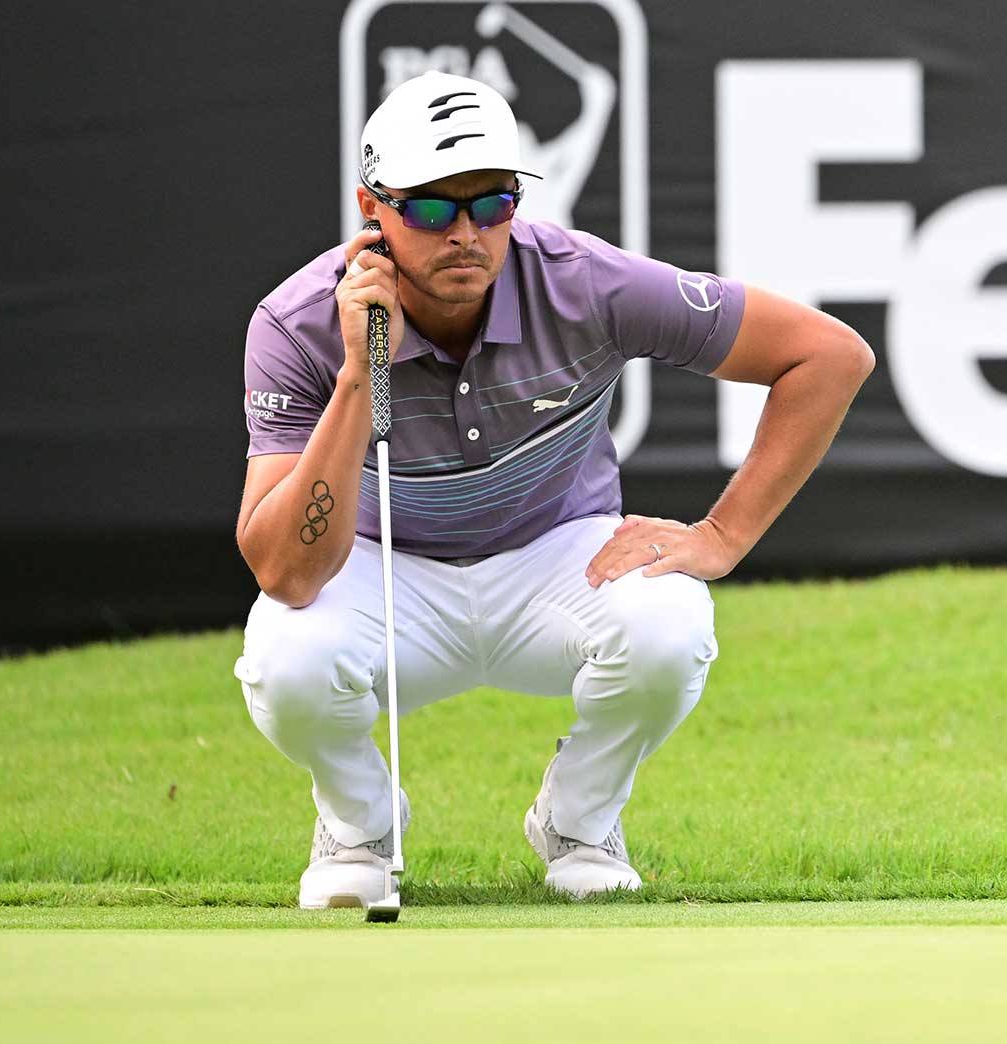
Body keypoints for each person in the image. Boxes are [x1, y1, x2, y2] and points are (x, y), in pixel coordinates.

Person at [232, 72, 873, 907]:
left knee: (670, 624)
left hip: (555, 557)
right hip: (386, 567)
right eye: (432, 209)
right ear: (372, 209)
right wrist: (360, 374)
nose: (465, 234)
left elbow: (829, 355)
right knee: (286, 659)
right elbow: (285, 573)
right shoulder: (296, 322)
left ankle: (579, 822)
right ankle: (359, 828)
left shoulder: (585, 283)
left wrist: (723, 536)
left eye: (493, 203)